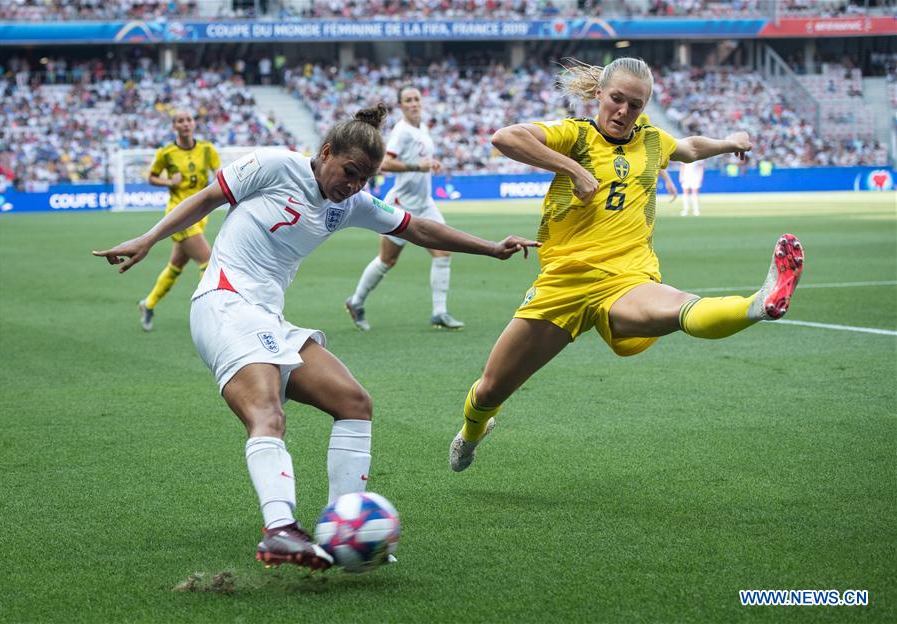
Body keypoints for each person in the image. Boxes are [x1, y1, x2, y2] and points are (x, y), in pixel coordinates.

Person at [94, 104, 538, 570]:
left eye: (364, 179)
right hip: (224, 303)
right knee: (267, 412)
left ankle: (340, 527)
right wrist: (148, 238)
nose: (354, 186)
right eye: (349, 172)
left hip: (267, 317)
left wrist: (491, 248)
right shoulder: (274, 165)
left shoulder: (349, 204)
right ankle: (279, 530)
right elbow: (206, 199)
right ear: (325, 153)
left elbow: (418, 226)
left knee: (354, 403)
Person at [448, 58, 804, 472]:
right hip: (564, 283)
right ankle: (472, 432)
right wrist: (574, 168)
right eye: (616, 99)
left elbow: (687, 149)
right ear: (598, 94)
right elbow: (505, 137)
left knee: (680, 308)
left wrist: (730, 141)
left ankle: (759, 304)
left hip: (628, 277)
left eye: (635, 105)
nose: (623, 111)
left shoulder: (651, 140)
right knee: (492, 389)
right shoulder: (576, 134)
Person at [345, 85, 464, 331]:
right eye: (408, 100)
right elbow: (384, 164)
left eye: (416, 99)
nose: (413, 103)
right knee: (387, 260)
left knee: (443, 253)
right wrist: (416, 166)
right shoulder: (402, 131)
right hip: (402, 205)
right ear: (401, 106)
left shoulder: (423, 129)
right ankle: (356, 302)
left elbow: (421, 160)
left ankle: (439, 312)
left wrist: (430, 164)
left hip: (425, 203)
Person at [139, 109, 221, 331]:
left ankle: (148, 304)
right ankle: (209, 314)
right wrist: (169, 182)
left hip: (200, 214)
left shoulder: (207, 149)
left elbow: (220, 173)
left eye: (189, 120)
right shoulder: (166, 153)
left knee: (176, 266)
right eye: (180, 121)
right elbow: (151, 177)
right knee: (208, 261)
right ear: (174, 126)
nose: (185, 124)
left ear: (194, 124)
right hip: (178, 215)